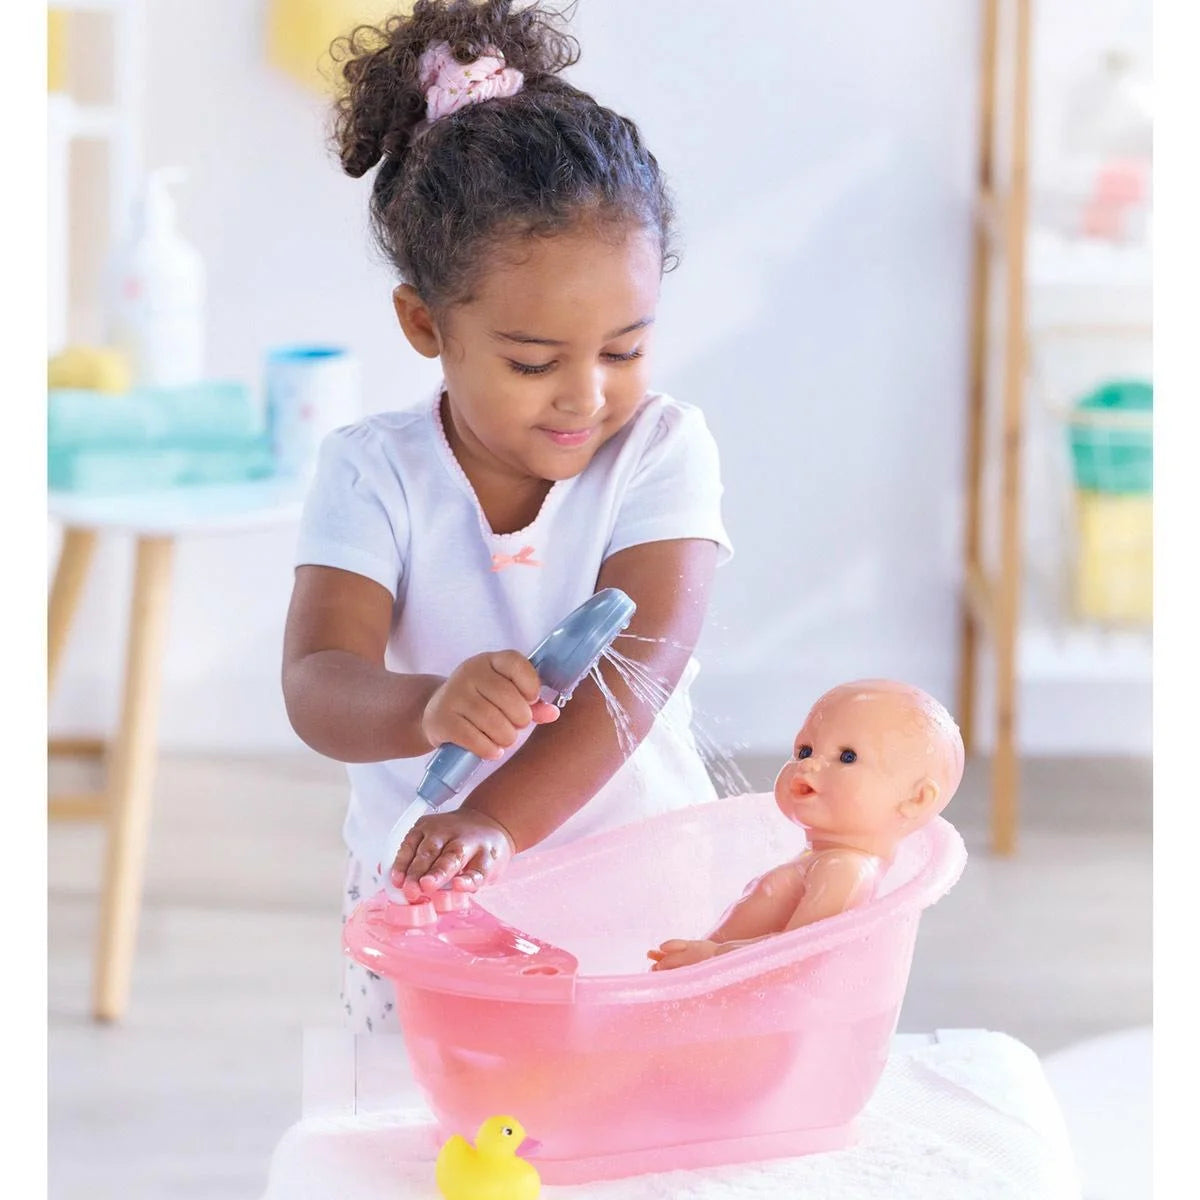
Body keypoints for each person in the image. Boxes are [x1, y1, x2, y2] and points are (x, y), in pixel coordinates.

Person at [281, 0, 732, 1031]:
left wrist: (493, 816)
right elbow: (316, 685)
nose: (586, 396)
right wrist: (428, 708)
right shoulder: (373, 474)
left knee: (628, 1144)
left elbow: (636, 680)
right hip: (437, 901)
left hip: (636, 884)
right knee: (445, 1142)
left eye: (624, 348)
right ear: (426, 326)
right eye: (534, 362)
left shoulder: (662, 454)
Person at [649, 680, 964, 971]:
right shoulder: (822, 859)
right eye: (805, 750)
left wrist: (712, 958)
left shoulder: (845, 868)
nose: (809, 764)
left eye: (847, 757)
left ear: (916, 798)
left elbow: (798, 958)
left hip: (757, 1014)